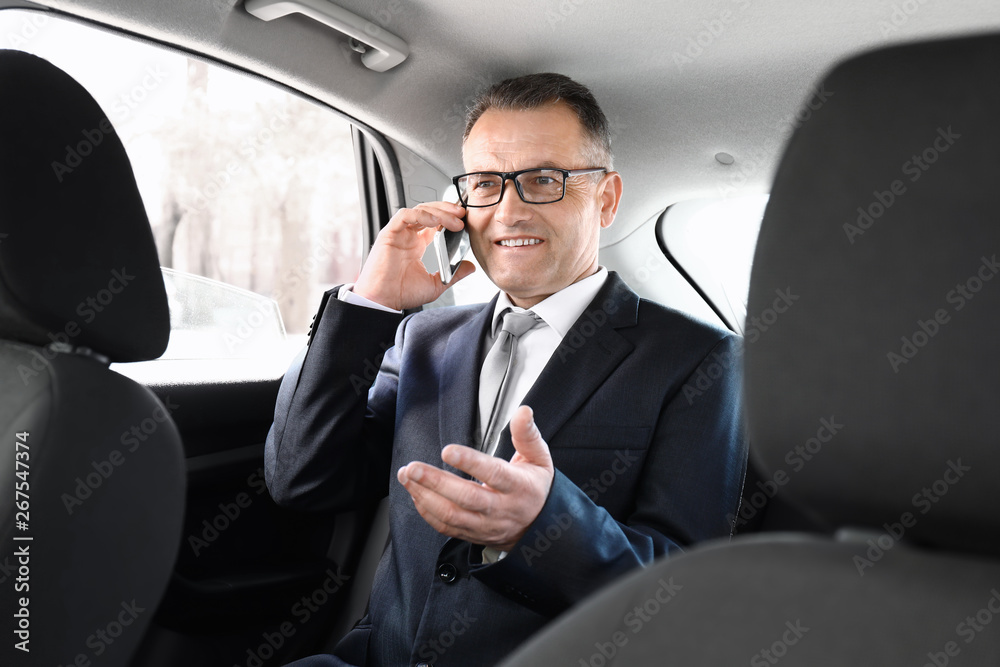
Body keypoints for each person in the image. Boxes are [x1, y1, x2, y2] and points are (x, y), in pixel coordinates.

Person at [265, 72, 747, 666]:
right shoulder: (423, 337)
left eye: (544, 180)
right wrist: (371, 305)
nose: (509, 212)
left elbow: (686, 594)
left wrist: (540, 527)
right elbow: (300, 477)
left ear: (605, 199)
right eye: (486, 185)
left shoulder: (698, 359)